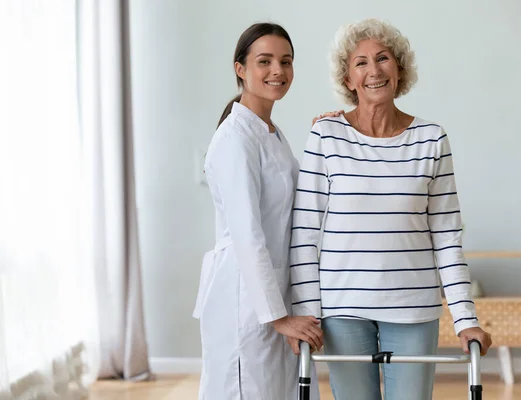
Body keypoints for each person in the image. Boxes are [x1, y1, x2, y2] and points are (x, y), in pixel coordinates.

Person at [289, 18, 492, 399]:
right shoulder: (325, 136)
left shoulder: (432, 139)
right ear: (348, 79)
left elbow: (447, 238)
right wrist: (305, 312)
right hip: (342, 308)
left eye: (383, 58)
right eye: (360, 63)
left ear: (399, 69)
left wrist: (466, 319)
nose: (374, 70)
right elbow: (304, 234)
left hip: (414, 309)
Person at [192, 22, 324, 400]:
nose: (277, 71)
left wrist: (325, 137)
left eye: (286, 61)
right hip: (244, 300)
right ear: (240, 69)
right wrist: (279, 317)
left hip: (274, 292)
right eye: (264, 61)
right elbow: (248, 234)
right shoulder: (235, 138)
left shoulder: (271, 133)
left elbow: (299, 208)